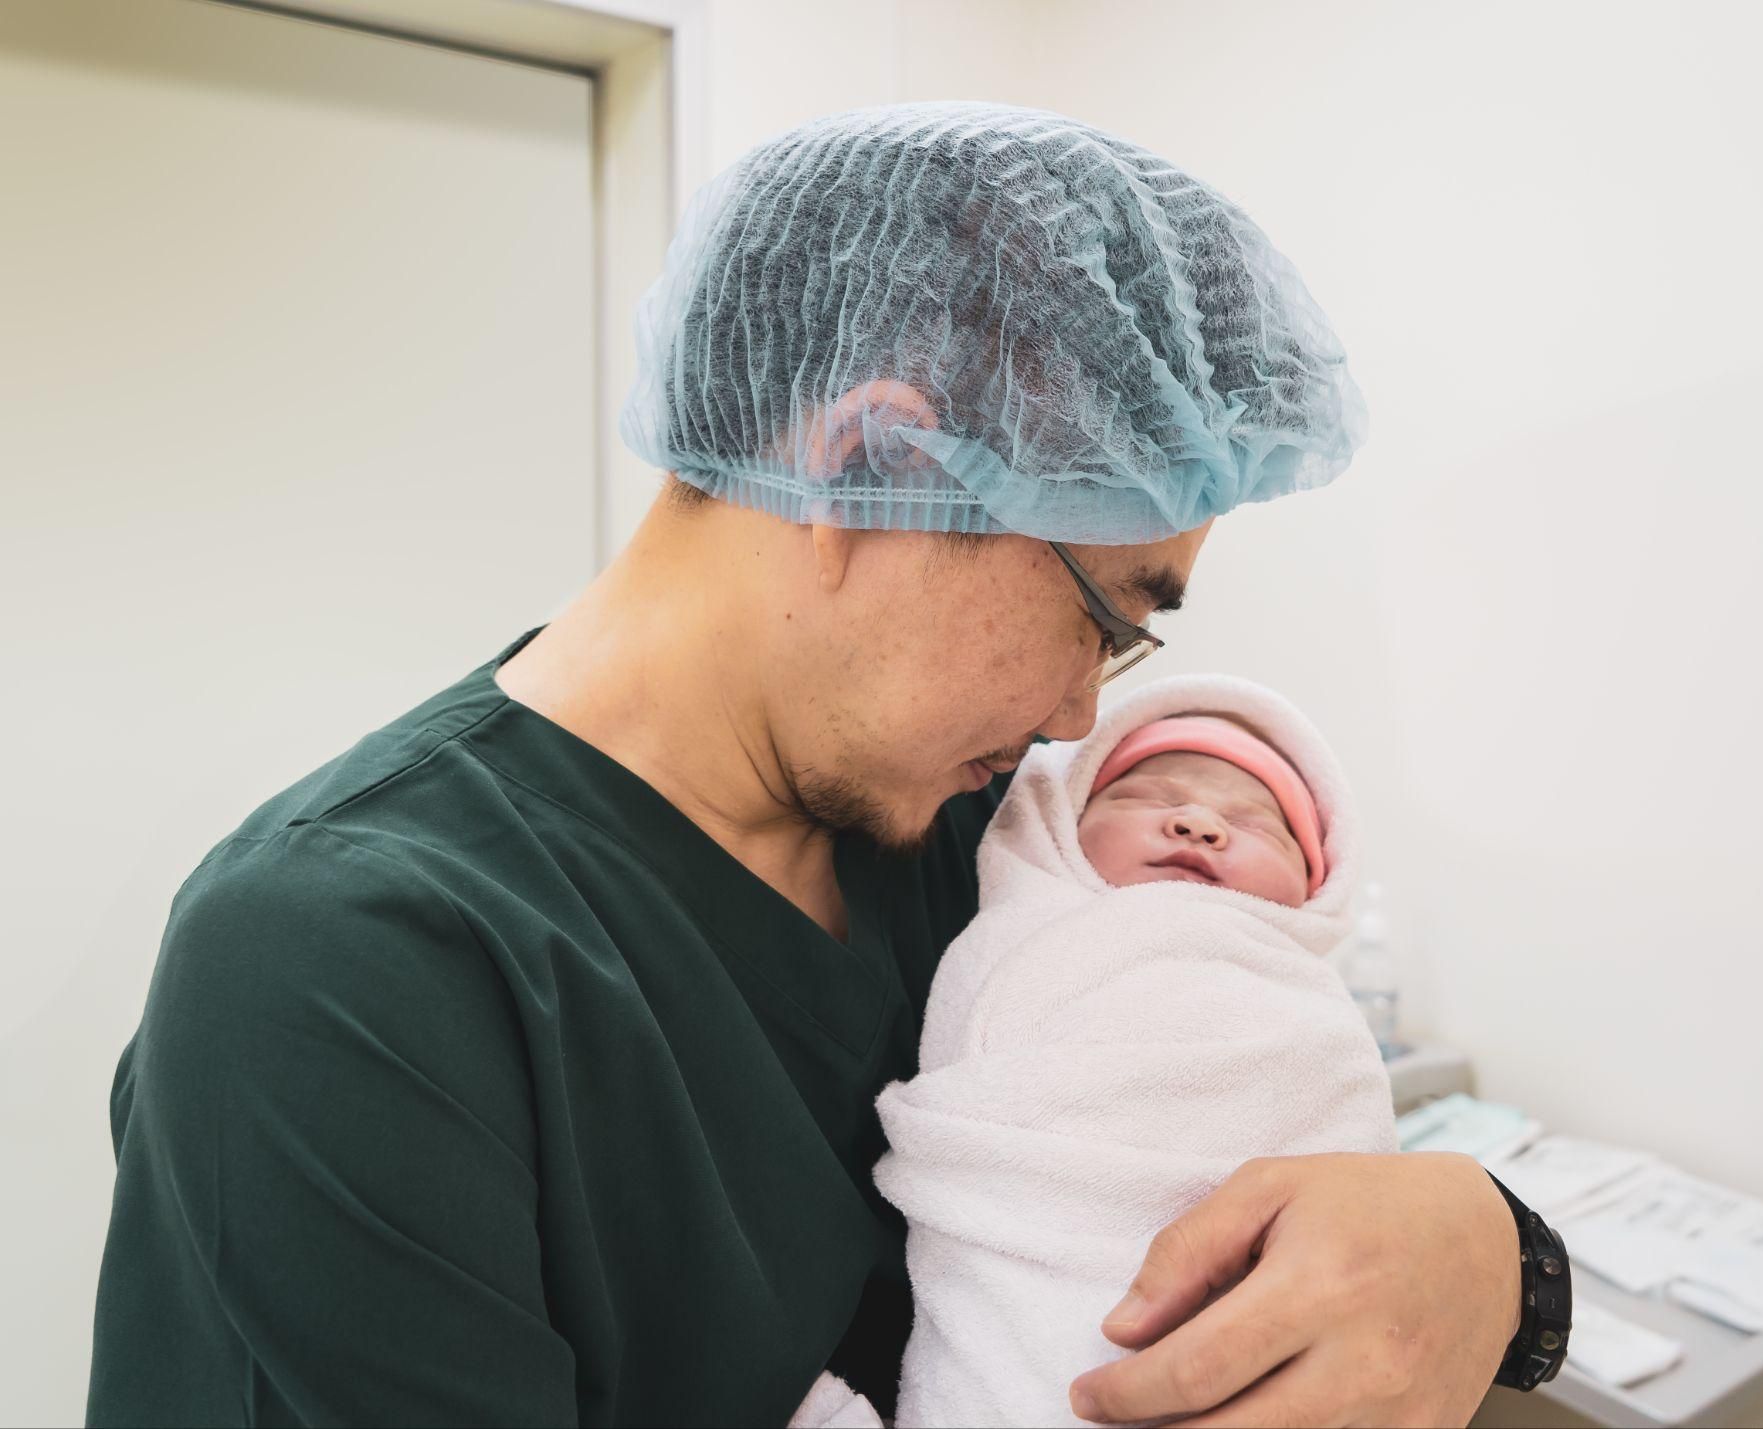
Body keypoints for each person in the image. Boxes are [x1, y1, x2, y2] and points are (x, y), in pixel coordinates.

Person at [88, 102, 1549, 1427]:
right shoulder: (346, 966)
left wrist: (1493, 1253)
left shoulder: (993, 837)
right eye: (1103, 615)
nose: (1070, 716)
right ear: (874, 465)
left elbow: (1207, 1112)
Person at [818, 675, 1400, 1426]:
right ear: (1063, 825)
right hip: (1021, 1288)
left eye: (1257, 823)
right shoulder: (1011, 939)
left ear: (1318, 885)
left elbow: (1356, 1185)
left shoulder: (1307, 1011)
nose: (1197, 822)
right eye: (1148, 797)